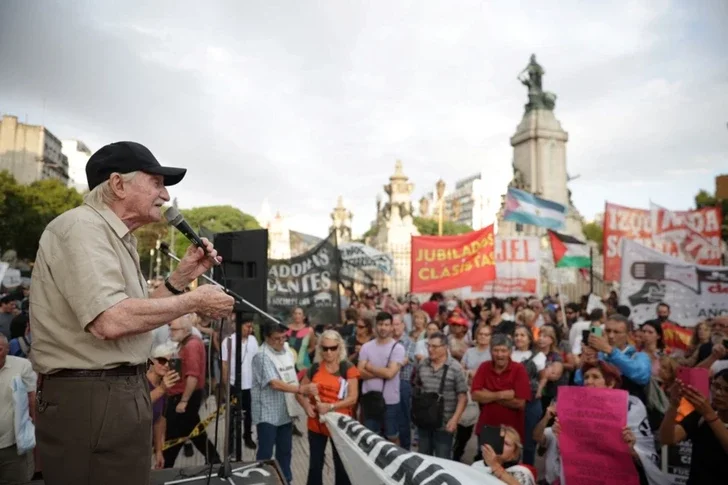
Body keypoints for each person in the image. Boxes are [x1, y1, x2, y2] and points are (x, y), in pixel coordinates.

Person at [29, 141, 234, 485]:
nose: (166, 196)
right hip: (92, 396)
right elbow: (110, 320)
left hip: (116, 391)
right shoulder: (82, 228)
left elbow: (135, 316)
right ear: (118, 184)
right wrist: (195, 302)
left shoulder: (118, 238)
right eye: (157, 183)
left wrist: (181, 278)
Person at [252, 323, 319, 484]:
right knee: (266, 453)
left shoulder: (287, 350)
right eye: (277, 339)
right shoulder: (261, 356)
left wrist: (303, 402)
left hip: (285, 411)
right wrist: (301, 389)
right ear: (266, 338)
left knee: (285, 451)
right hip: (267, 413)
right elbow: (274, 383)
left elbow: (292, 376)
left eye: (284, 337)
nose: (281, 342)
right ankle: (262, 481)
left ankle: (286, 481)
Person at [297, 330, 359, 485]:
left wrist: (330, 406)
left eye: (333, 347)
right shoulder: (315, 368)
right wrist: (306, 406)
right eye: (325, 348)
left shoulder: (348, 368)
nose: (329, 352)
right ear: (320, 349)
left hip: (340, 425)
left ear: (340, 347)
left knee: (342, 465)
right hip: (316, 425)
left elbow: (353, 397)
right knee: (315, 465)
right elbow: (300, 391)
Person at [163, 314, 221, 467]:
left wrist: (183, 401)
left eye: (173, 329)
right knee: (195, 434)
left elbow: (193, 376)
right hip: (182, 396)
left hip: (183, 397)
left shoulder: (191, 345)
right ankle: (215, 461)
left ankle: (164, 468)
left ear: (184, 329)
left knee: (174, 438)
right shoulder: (186, 343)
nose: (170, 332)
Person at [659, 368, 728, 484]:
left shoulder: (707, 413)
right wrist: (673, 405)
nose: (718, 393)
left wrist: (709, 415)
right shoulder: (700, 415)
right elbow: (667, 439)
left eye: (727, 390)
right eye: (716, 386)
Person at [411, 332, 468, 458]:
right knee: (424, 457)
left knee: (443, 459)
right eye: (429, 346)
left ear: (445, 347)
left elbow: (463, 397)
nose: (430, 350)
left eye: (435, 347)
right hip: (424, 421)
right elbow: (417, 388)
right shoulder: (422, 365)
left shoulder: (455, 368)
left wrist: (454, 420)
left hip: (445, 424)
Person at [472, 334, 531, 443]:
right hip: (487, 426)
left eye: (503, 351)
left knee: (508, 459)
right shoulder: (484, 367)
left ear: (510, 352)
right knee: (484, 458)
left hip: (511, 431)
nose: (499, 355)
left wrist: (488, 394)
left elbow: (520, 403)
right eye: (496, 350)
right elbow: (475, 395)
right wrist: (502, 395)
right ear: (490, 351)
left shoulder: (519, 369)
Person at [357, 311, 405, 443]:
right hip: (370, 398)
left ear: (391, 327)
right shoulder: (366, 347)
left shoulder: (398, 348)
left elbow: (390, 374)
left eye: (386, 324)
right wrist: (382, 371)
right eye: (380, 324)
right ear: (375, 326)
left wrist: (370, 368)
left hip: (390, 400)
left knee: (392, 436)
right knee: (371, 437)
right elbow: (359, 372)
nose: (383, 327)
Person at [0, 335, 36, 484]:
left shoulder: (22, 366)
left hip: (12, 444)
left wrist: (33, 426)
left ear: (8, 349)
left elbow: (32, 395)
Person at [221, 315, 259, 453]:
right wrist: (226, 387)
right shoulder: (228, 341)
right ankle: (230, 443)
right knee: (231, 415)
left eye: (251, 326)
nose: (250, 329)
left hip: (250, 385)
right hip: (234, 384)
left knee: (249, 413)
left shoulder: (253, 340)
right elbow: (224, 365)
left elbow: (257, 361)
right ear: (238, 326)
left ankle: (247, 436)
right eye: (247, 326)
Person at [146, 342, 180, 469]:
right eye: (161, 360)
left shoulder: (163, 385)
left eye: (170, 362)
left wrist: (159, 451)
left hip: (146, 446)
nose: (166, 365)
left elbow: (159, 420)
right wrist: (161, 389)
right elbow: (139, 404)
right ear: (152, 361)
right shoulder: (141, 382)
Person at [471, 425, 536, 485]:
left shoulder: (521, 472)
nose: (500, 444)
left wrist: (495, 465)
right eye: (498, 440)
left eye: (506, 443)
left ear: (514, 454)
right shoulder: (477, 465)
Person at [392, 314, 415, 449]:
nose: (395, 328)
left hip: (402, 382)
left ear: (403, 325)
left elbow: (405, 360)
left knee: (403, 419)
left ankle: (406, 449)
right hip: (387, 383)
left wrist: (388, 365)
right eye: (393, 324)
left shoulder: (409, 342)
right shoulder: (387, 341)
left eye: (397, 324)